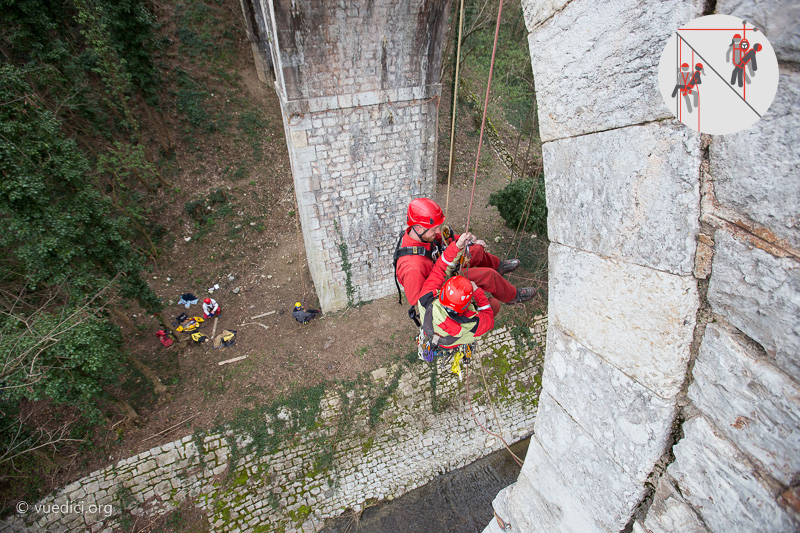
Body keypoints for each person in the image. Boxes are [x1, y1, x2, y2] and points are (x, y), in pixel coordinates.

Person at [395, 198, 534, 314]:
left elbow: (444, 239)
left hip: (444, 265)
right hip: (443, 284)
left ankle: (500, 266)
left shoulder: (424, 235)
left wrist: (468, 242)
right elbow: (418, 300)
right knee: (488, 275)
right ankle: (513, 296)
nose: (438, 230)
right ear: (418, 228)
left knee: (477, 250)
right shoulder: (412, 267)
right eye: (434, 228)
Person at [416, 232, 495, 350]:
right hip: (453, 338)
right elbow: (489, 318)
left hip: (436, 333)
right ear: (467, 305)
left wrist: (457, 246)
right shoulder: (472, 324)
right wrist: (478, 292)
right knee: (494, 304)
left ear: (442, 292)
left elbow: (440, 269)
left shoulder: (426, 298)